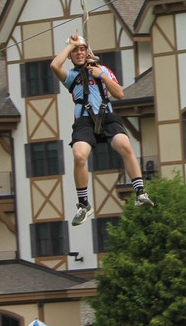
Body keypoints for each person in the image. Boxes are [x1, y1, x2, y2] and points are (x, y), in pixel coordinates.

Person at [50, 33, 153, 226]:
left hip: (106, 116)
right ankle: (83, 204)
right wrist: (70, 45)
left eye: (82, 49)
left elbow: (120, 94)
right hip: (84, 120)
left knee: (125, 144)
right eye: (75, 51)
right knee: (79, 155)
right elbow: (55, 66)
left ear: (88, 52)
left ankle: (140, 191)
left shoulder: (103, 70)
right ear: (71, 55)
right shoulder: (70, 77)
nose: (79, 53)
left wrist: (102, 76)